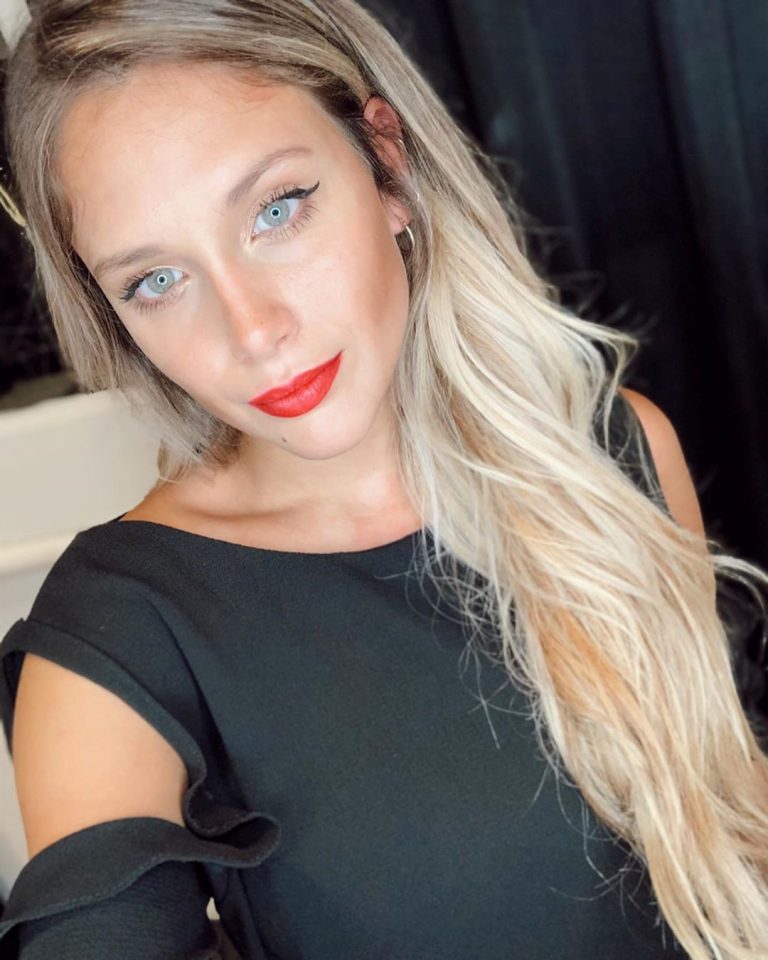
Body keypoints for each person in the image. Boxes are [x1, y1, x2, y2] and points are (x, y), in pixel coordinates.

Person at [0, 1, 766, 957]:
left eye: (276, 210)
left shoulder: (615, 455)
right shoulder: (114, 637)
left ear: (387, 164)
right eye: (156, 280)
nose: (253, 330)